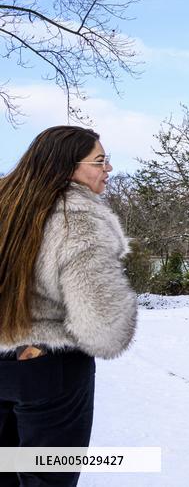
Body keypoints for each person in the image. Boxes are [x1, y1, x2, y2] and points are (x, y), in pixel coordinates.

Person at [0, 126, 137, 487]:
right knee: (46, 477)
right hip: (50, 369)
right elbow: (103, 326)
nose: (108, 168)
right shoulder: (78, 219)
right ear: (68, 166)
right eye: (99, 160)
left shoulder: (7, 208)